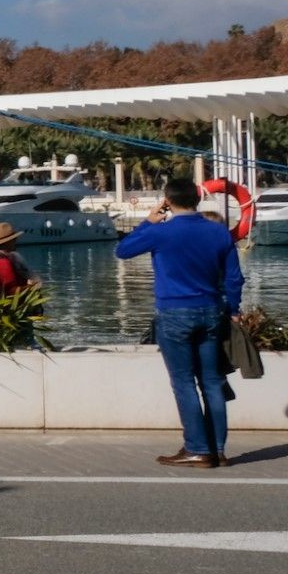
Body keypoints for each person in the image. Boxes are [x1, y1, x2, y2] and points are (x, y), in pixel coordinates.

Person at [115, 178, 245, 468]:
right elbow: (235, 277)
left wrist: (148, 222)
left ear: (167, 200)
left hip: (174, 313)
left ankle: (198, 449)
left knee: (184, 382)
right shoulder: (218, 232)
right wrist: (234, 308)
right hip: (212, 310)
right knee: (212, 381)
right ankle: (217, 450)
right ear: (198, 200)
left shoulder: (161, 232)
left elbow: (122, 251)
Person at [0, 221, 37, 297]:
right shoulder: (2, 263)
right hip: (8, 307)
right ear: (7, 242)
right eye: (13, 239)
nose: (16, 241)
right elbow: (11, 292)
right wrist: (31, 287)